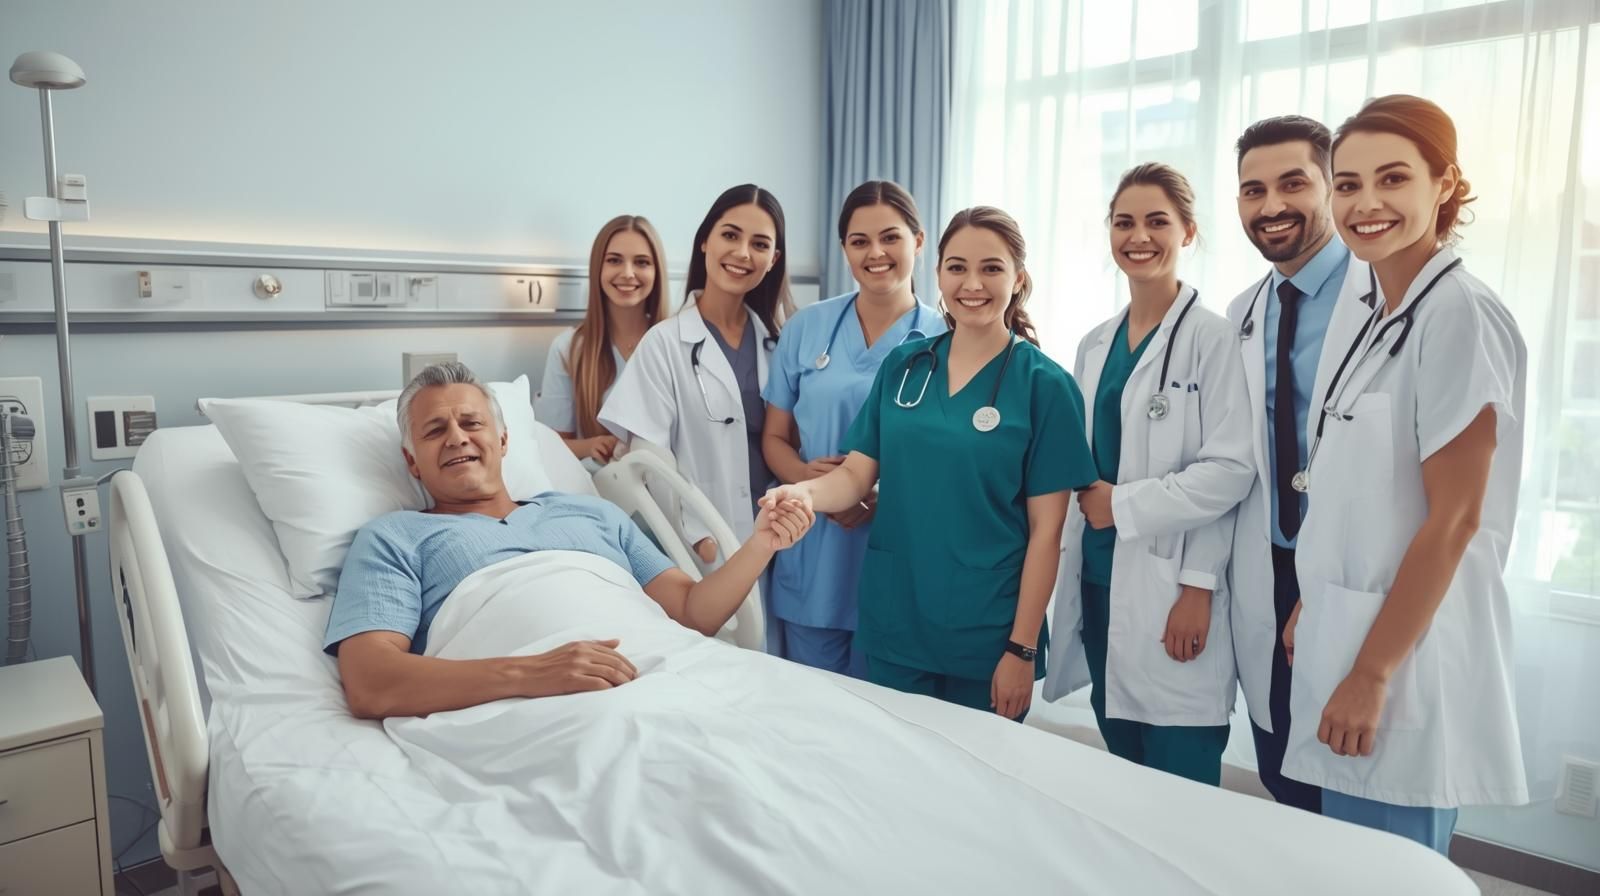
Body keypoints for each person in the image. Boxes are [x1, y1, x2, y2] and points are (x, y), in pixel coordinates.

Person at [1280, 95, 1528, 853]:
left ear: (1444, 183)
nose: (1367, 204)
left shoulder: (1460, 314)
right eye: (1348, 184)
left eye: (1393, 178)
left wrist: (1373, 673)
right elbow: (1356, 488)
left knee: (1394, 869)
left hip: (1403, 661)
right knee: (1348, 864)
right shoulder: (1373, 309)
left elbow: (1454, 521)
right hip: (1348, 629)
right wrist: (1316, 597)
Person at [324, 362, 813, 719]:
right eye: (435, 431)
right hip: (546, 709)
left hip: (670, 674)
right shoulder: (395, 537)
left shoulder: (592, 513)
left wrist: (761, 543)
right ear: (412, 463)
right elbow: (371, 682)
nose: (457, 437)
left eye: (471, 423)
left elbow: (693, 613)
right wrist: (532, 673)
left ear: (504, 441)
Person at [762, 207, 1095, 719]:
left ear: (1018, 279)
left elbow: (1047, 534)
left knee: (974, 768)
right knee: (886, 762)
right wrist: (803, 492)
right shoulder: (905, 365)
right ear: (938, 273)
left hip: (986, 633)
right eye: (957, 267)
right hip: (895, 621)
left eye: (991, 268)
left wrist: (1022, 648)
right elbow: (854, 476)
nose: (972, 284)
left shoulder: (1045, 386)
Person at [1044, 164, 1253, 784]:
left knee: (1180, 772)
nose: (1139, 237)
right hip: (1099, 579)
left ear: (1188, 231)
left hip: (1175, 584)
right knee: (1124, 764)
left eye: (1157, 221)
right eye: (1124, 222)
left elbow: (1229, 472)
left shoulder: (1216, 339)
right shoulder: (1094, 343)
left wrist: (1198, 586)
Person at [1226, 114, 1372, 814]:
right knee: (1284, 768)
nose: (1271, 206)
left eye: (1293, 184)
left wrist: (1323, 580)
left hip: (1351, 572)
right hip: (1272, 565)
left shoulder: (1381, 297)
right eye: (1253, 190)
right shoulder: (1244, 311)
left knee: (1357, 784)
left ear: (1332, 186)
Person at [759, 181, 944, 677]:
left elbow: (947, 460)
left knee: (883, 707)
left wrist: (876, 495)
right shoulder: (806, 328)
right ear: (844, 249)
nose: (875, 253)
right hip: (811, 548)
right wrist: (806, 480)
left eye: (891, 238)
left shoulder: (946, 340)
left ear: (918, 241)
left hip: (894, 546)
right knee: (807, 706)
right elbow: (774, 438)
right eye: (860, 241)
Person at [600, 185, 793, 566]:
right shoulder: (664, 344)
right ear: (705, 241)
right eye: (730, 235)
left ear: (773, 259)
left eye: (759, 244)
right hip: (705, 548)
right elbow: (650, 463)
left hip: (778, 538)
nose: (743, 253)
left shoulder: (780, 344)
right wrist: (696, 535)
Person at [535, 215, 669, 464]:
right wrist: (590, 446)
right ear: (598, 267)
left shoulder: (674, 346)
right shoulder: (568, 349)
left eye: (641, 262)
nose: (627, 273)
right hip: (597, 482)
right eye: (614, 260)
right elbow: (550, 445)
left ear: (657, 271)